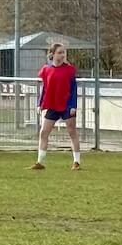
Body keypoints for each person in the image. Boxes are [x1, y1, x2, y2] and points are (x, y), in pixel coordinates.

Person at [31, 42, 81, 171]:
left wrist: (73, 105)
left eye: (63, 52)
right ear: (52, 54)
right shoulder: (46, 69)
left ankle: (76, 162)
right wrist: (40, 104)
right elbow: (45, 89)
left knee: (72, 132)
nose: (62, 55)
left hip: (67, 105)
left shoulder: (69, 70)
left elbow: (74, 89)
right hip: (52, 105)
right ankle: (40, 162)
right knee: (44, 132)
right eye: (59, 52)